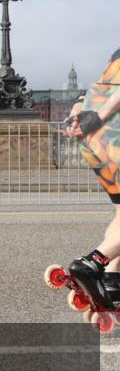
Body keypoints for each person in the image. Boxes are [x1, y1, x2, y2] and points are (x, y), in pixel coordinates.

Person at [63, 47, 120, 306]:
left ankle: (112, 279)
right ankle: (93, 263)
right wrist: (100, 116)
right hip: (112, 135)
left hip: (97, 143)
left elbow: (90, 93)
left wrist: (78, 116)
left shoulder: (115, 58)